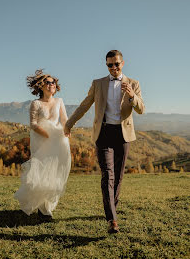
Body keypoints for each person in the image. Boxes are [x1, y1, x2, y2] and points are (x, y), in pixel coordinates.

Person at [64, 50, 145, 233]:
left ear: (123, 63)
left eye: (117, 64)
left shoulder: (134, 83)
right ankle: (112, 220)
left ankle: (111, 209)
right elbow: (85, 105)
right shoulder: (98, 84)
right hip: (104, 132)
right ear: (106, 65)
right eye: (110, 65)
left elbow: (141, 109)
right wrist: (69, 124)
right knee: (107, 175)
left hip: (123, 135)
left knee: (118, 176)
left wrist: (132, 96)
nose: (114, 68)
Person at [14, 69, 71, 221]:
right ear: (41, 86)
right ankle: (43, 209)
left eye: (53, 82)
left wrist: (67, 130)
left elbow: (64, 120)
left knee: (54, 173)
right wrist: (48, 136)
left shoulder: (59, 102)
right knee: (42, 172)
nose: (51, 84)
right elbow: (33, 124)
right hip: (42, 140)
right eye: (47, 82)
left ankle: (47, 207)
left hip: (58, 141)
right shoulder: (36, 103)